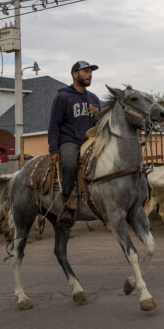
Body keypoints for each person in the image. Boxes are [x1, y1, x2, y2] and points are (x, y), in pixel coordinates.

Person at [49, 60, 101, 227]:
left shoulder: (93, 98)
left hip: (89, 141)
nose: (89, 74)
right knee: (70, 164)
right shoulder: (63, 97)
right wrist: (54, 150)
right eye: (85, 71)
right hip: (69, 140)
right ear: (75, 74)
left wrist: (98, 115)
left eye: (90, 72)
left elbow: (99, 126)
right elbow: (54, 125)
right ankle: (66, 202)